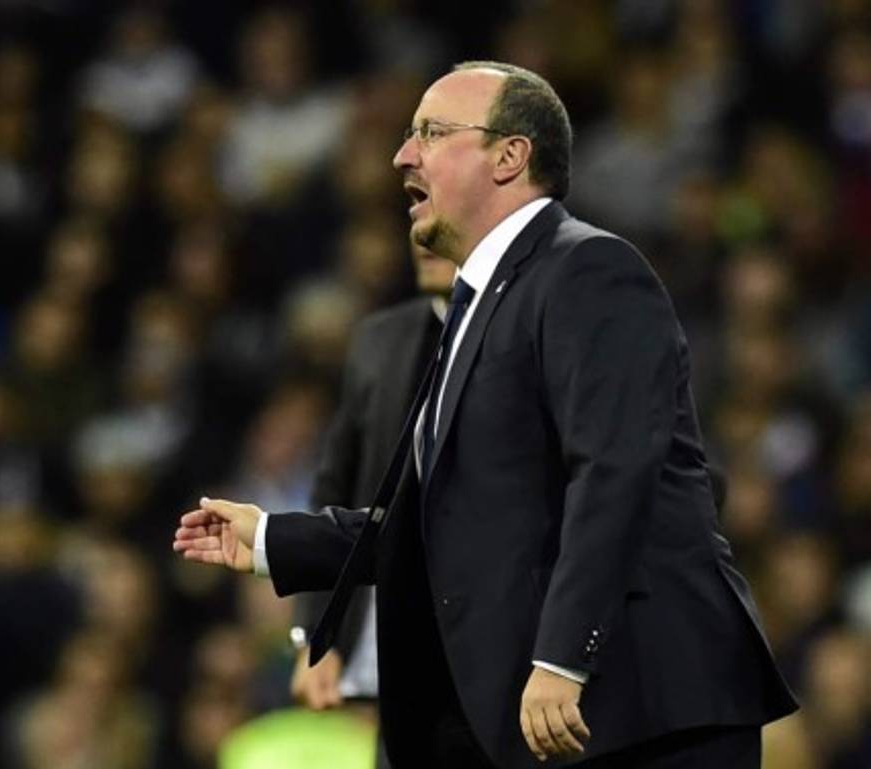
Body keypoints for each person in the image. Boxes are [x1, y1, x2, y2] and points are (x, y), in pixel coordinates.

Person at [174, 62, 797, 769]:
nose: (402, 155)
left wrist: (564, 657)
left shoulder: (589, 269)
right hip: (560, 723)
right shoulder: (476, 306)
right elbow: (441, 521)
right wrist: (272, 538)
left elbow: (615, 469)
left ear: (510, 155)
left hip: (642, 712)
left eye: (432, 133)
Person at [288, 244, 454, 769]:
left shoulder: (524, 329)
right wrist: (315, 635)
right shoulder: (379, 339)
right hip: (387, 636)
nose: (422, 241)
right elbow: (333, 489)